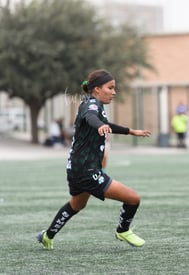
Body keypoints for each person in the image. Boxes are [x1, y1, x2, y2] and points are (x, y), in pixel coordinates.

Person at [36, 69, 151, 250]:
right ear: (97, 89)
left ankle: (47, 235)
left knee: (76, 205)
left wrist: (131, 131)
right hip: (87, 171)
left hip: (76, 168)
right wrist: (99, 126)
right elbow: (91, 118)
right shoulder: (91, 104)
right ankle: (123, 230)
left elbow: (105, 124)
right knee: (133, 199)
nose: (114, 92)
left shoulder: (95, 104)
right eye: (110, 88)